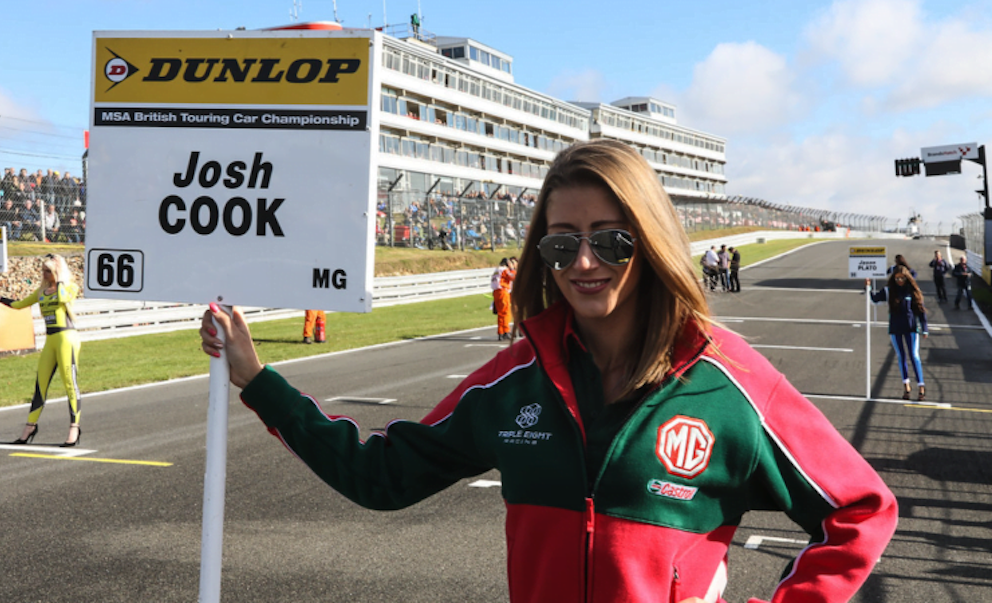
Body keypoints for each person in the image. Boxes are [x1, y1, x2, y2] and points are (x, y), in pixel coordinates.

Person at [200, 139, 896, 603]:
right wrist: (258, 381)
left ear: (649, 241)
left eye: (610, 240)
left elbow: (859, 510)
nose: (584, 263)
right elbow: (380, 476)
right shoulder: (514, 382)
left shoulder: (727, 381)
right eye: (562, 244)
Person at [0, 253, 82, 446]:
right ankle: (30, 426)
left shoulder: (70, 287)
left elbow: (62, 298)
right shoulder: (41, 292)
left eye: (49, 271)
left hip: (67, 338)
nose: (45, 274)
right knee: (40, 385)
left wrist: (61, 278)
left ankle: (74, 428)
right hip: (51, 340)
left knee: (70, 384)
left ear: (58, 272)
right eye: (43, 271)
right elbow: (20, 305)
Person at [866, 265, 929, 400]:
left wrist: (925, 328)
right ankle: (906, 385)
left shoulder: (912, 291)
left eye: (902, 278)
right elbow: (874, 300)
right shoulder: (889, 291)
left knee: (914, 356)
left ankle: (921, 385)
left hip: (911, 328)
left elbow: (921, 310)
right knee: (901, 356)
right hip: (895, 328)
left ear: (907, 278)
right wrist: (868, 287)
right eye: (897, 278)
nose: (899, 281)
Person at [490, 257, 516, 341]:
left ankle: (500, 332)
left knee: (500, 313)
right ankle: (506, 331)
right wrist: (512, 268)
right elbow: (512, 277)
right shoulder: (504, 270)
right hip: (503, 291)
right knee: (505, 312)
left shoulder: (496, 270)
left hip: (496, 292)